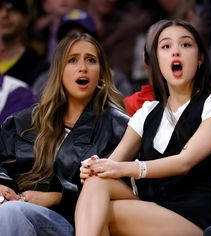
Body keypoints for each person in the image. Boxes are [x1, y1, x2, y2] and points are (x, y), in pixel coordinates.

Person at [75, 19, 211, 236]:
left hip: (198, 215)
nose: (176, 52)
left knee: (104, 212)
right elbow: (115, 162)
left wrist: (126, 168)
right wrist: (96, 166)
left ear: (200, 58)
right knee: (97, 180)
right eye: (166, 46)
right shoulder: (147, 111)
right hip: (152, 206)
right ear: (156, 60)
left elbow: (184, 162)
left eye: (186, 45)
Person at [0, 32, 129, 235]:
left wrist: (56, 197)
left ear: (102, 73)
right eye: (72, 60)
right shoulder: (22, 122)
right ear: (59, 71)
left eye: (91, 60)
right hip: (14, 210)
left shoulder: (119, 127)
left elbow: (128, 194)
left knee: (12, 213)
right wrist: (2, 188)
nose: (82, 68)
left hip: (77, 223)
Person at [0, 0, 49, 86]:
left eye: (12, 9)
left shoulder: (39, 69)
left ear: (26, 19)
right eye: (0, 8)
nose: (4, 15)